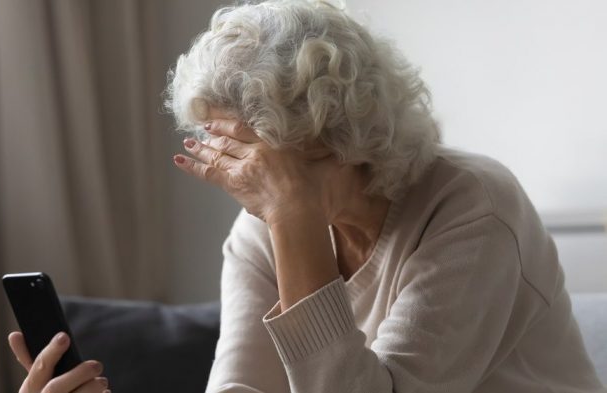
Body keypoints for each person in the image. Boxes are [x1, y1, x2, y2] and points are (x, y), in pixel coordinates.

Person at [166, 1, 606, 392]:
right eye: (219, 145)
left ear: (332, 137)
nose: (235, 171)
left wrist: (294, 217)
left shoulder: (474, 208)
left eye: (248, 153)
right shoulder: (260, 229)